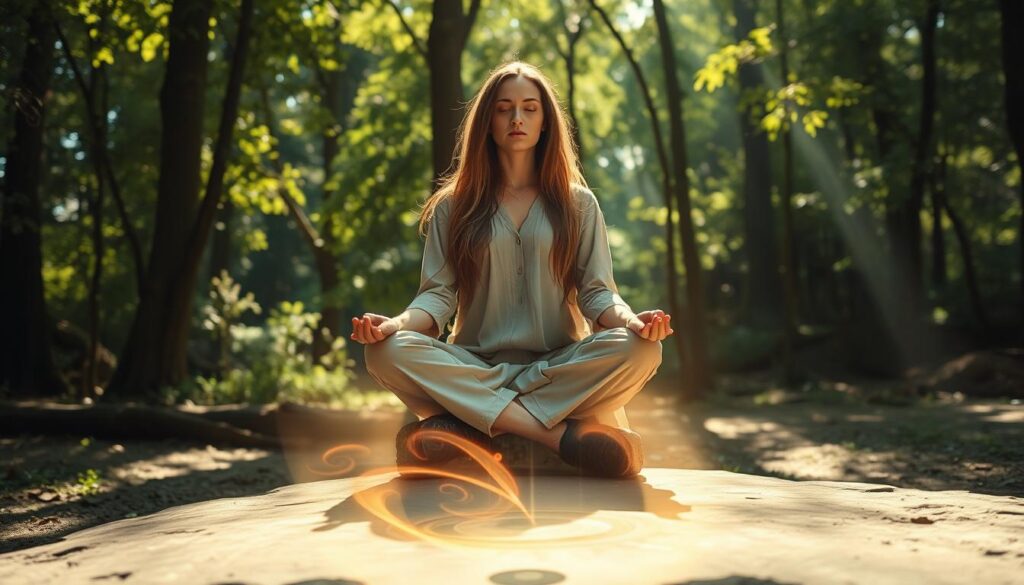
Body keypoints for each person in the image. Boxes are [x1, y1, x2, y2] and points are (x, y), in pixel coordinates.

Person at [350, 61, 674, 478]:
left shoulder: (579, 204)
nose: (516, 118)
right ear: (487, 122)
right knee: (384, 351)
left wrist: (632, 321)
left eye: (529, 108)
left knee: (643, 348)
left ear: (546, 122)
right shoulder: (454, 205)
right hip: (475, 365)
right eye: (503, 109)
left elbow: (597, 293)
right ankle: (556, 438)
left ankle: (473, 427)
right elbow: (438, 295)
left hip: (557, 367)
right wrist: (394, 325)